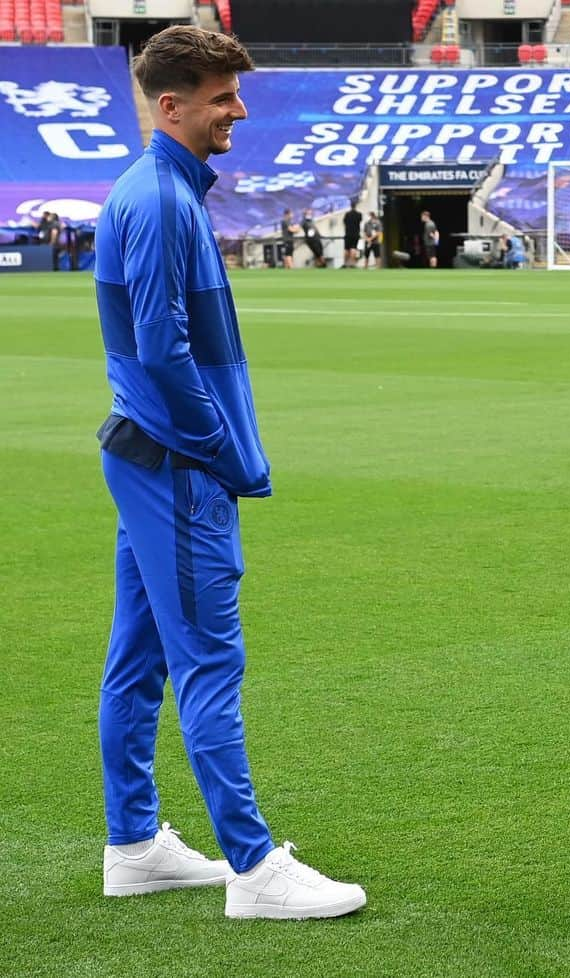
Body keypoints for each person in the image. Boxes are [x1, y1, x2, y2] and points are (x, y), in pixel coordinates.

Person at [92, 25, 366, 920]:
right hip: (175, 463)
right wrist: (218, 444)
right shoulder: (163, 200)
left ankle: (135, 844)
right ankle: (254, 869)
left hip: (150, 456)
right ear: (170, 105)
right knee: (211, 661)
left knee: (138, 658)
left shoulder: (157, 189)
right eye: (222, 97)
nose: (238, 111)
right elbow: (163, 349)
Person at [342, 199, 361, 268]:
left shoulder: (347, 214)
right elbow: (359, 222)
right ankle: (352, 263)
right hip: (356, 234)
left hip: (348, 234)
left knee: (346, 249)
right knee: (353, 248)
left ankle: (345, 263)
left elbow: (344, 222)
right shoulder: (359, 214)